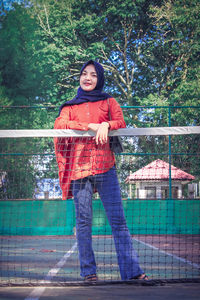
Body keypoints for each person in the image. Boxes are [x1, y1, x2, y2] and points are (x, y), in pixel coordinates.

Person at [54, 60, 148, 282]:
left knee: (118, 222)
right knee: (83, 224)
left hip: (105, 168)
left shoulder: (108, 101)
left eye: (93, 75)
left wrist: (106, 125)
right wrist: (89, 126)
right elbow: (60, 125)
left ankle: (132, 273)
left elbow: (120, 121)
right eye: (84, 74)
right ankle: (89, 273)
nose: (88, 78)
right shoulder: (69, 107)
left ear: (100, 79)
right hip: (79, 171)